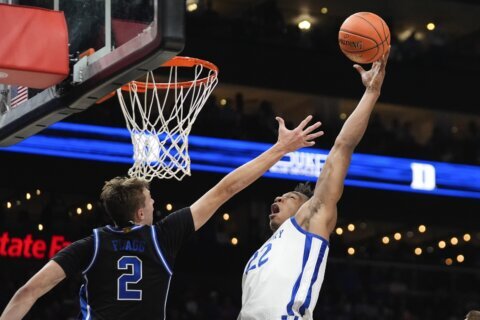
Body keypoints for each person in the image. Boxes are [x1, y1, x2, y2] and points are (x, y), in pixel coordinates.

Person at [0, 115, 323, 320]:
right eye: (151, 201)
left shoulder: (90, 245)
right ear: (140, 212)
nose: (156, 205)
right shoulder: (160, 236)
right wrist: (279, 149)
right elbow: (226, 189)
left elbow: (27, 292)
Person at [238, 48, 390, 319]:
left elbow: (342, 148)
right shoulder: (258, 256)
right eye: (280, 197)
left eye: (290, 197)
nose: (278, 199)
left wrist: (371, 93)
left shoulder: (309, 221)